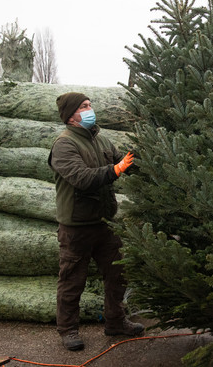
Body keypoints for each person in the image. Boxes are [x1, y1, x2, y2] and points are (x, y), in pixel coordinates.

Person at [48, 92, 144, 351]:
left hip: (104, 223)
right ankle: (68, 330)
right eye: (84, 106)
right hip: (76, 228)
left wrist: (146, 160)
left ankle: (115, 321)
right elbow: (82, 178)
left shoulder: (101, 139)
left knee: (117, 273)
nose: (90, 109)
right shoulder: (64, 144)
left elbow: (123, 162)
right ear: (71, 116)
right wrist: (116, 169)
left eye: (90, 105)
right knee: (72, 281)